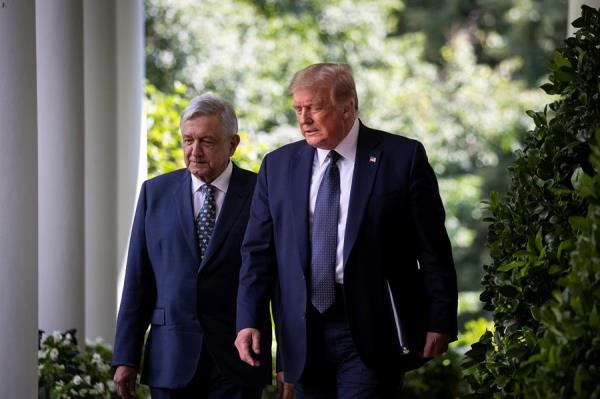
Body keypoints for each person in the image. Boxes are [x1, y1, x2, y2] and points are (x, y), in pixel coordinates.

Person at [235, 63, 458, 398]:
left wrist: (439, 318)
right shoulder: (277, 166)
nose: (304, 119)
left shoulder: (402, 157)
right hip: (304, 331)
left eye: (315, 108)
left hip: (373, 327)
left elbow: (433, 248)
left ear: (348, 106)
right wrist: (249, 318)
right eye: (298, 109)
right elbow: (257, 252)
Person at [112, 94, 280, 398]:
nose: (195, 151)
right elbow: (138, 280)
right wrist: (126, 356)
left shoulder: (261, 193)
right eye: (188, 140)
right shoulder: (155, 193)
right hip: (170, 358)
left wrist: (286, 364)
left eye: (207, 141)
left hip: (238, 359)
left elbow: (280, 283)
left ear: (233, 144)